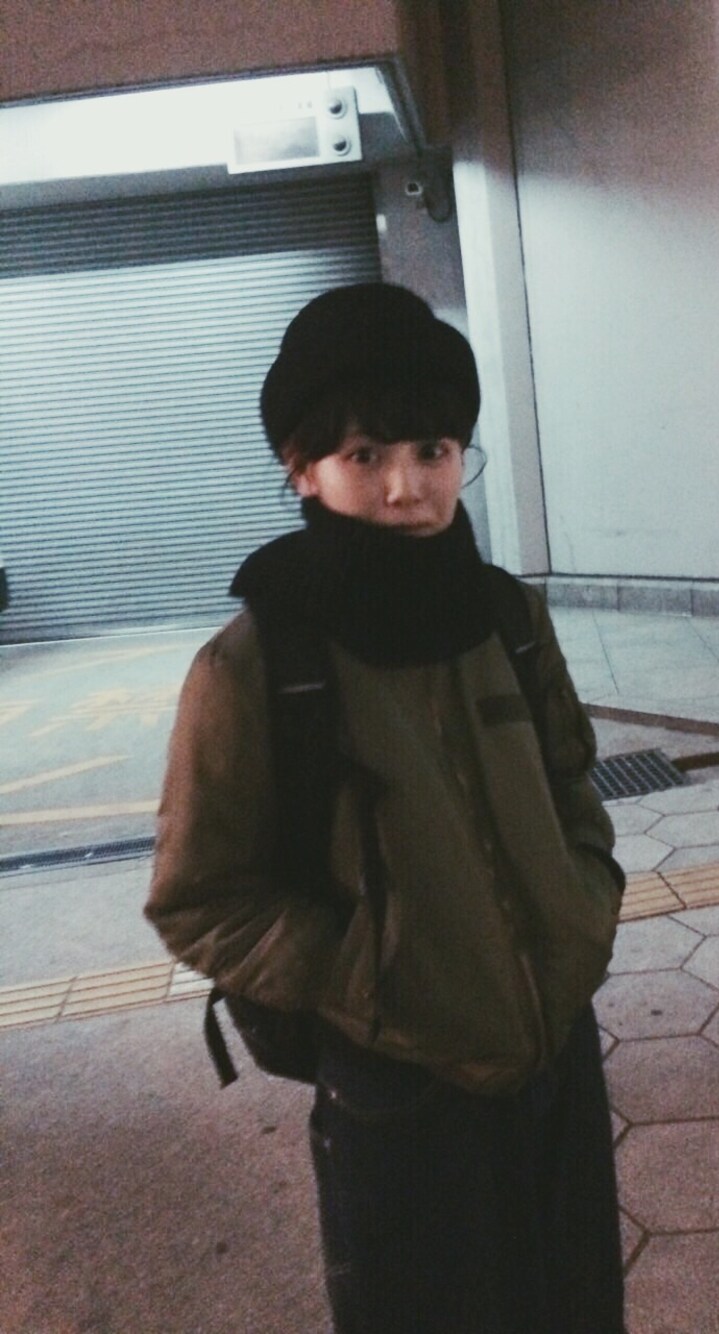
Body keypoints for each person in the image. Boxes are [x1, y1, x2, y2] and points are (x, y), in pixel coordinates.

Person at [145, 282, 626, 1333]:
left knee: (578, 1308)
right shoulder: (254, 665)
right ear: (302, 467)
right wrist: (368, 978)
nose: (408, 487)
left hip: (557, 1047)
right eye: (365, 455)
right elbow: (199, 896)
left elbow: (569, 783)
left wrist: (584, 904)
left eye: (433, 449)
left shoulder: (508, 616)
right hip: (400, 1083)